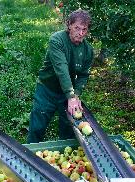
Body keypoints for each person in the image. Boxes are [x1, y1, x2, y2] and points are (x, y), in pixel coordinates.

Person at [27, 9, 94, 143]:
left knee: (68, 129)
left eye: (84, 29)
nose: (80, 33)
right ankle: (30, 154)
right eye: (77, 28)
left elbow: (83, 75)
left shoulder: (88, 50)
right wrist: (71, 95)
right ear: (69, 25)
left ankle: (65, 156)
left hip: (67, 94)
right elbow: (61, 69)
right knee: (37, 127)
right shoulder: (57, 40)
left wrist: (76, 95)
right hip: (47, 89)